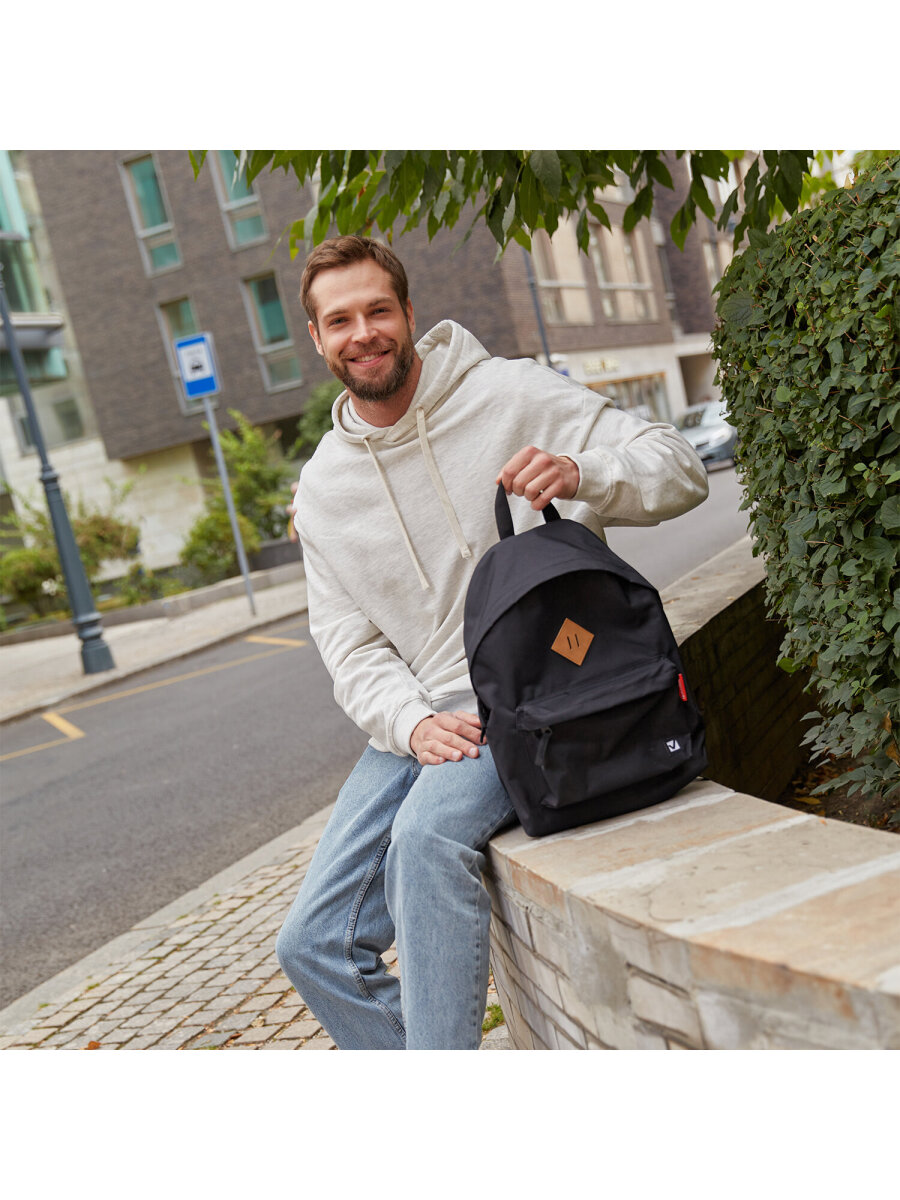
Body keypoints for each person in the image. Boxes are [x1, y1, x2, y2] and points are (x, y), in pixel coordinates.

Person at [275, 235, 708, 1049]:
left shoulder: (508, 393)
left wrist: (585, 473)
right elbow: (349, 643)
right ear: (317, 338)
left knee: (427, 838)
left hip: (537, 692)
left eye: (377, 310)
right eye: (340, 320)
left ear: (408, 313)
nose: (362, 332)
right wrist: (408, 723)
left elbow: (677, 464)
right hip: (420, 722)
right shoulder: (324, 488)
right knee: (310, 945)